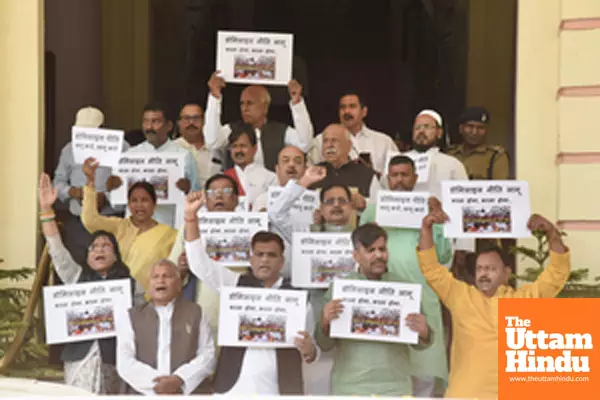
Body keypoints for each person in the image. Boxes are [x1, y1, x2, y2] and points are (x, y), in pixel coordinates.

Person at [417, 198, 571, 399]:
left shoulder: (523, 300)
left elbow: (557, 273)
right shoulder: (461, 296)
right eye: (480, 268)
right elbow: (431, 269)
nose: (483, 274)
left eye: (490, 269)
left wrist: (552, 233)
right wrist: (426, 229)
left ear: (506, 273)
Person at [183, 192, 318, 395]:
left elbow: (311, 349)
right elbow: (199, 263)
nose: (264, 260)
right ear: (251, 259)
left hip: (280, 390)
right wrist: (191, 218)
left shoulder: (298, 300)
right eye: (259, 254)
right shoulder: (236, 284)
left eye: (271, 255)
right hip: (233, 389)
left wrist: (310, 351)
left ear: (282, 262)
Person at [359, 155, 451, 396]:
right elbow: (359, 255)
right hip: (384, 298)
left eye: (404, 175)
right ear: (387, 179)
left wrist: (435, 224)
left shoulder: (429, 211)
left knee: (424, 375)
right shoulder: (372, 211)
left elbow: (441, 255)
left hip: (423, 297)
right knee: (390, 372)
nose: (399, 180)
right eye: (395, 175)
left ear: (415, 178)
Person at [39, 172, 132, 394]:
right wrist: (46, 210)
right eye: (94, 247)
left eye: (106, 246)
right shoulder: (76, 276)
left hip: (116, 360)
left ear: (116, 255)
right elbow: (56, 249)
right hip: (79, 359)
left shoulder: (128, 285)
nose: (99, 250)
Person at [316, 223, 432, 396]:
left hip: (395, 386)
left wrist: (424, 332)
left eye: (382, 249)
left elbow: (421, 344)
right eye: (371, 250)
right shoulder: (339, 290)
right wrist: (325, 321)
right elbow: (324, 345)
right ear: (356, 255)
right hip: (350, 386)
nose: (379, 255)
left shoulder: (403, 290)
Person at [80, 158, 177, 301]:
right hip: (113, 297)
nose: (139, 206)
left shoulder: (170, 235)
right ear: (128, 204)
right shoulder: (119, 226)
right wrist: (90, 182)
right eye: (134, 201)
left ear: (154, 204)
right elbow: (90, 220)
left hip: (147, 303)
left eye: (144, 200)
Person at [116, 259, 216, 395]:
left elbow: (208, 355)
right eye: (155, 277)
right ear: (148, 284)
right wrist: (157, 384)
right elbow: (125, 361)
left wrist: (179, 379)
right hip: (144, 392)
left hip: (186, 391)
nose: (160, 281)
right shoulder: (132, 316)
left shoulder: (196, 312)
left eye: (167, 276)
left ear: (179, 285)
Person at [105, 102, 201, 227]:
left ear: (169, 126)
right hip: (134, 230)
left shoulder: (183, 156)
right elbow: (117, 205)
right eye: (146, 121)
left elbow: (198, 196)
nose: (149, 127)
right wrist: (113, 189)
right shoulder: (130, 155)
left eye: (155, 122)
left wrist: (187, 190)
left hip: (169, 227)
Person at [53, 106, 128, 265]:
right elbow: (57, 182)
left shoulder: (121, 148)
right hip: (78, 223)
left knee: (111, 271)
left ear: (101, 128)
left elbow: (131, 181)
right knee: (77, 270)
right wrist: (72, 192)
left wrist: (107, 196)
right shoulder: (69, 150)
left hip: (110, 221)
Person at [203, 72, 314, 171]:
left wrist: (297, 103)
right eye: (242, 103)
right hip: (239, 190)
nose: (244, 108)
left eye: (249, 103)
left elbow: (304, 144)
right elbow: (212, 142)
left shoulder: (280, 130)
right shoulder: (231, 129)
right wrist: (215, 98)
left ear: (265, 106)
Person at [309, 92, 398, 174]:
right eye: (342, 107)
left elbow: (398, 173)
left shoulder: (384, 142)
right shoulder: (321, 140)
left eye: (352, 106)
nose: (347, 111)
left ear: (364, 112)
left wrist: (374, 175)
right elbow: (311, 172)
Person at [310, 123, 381, 201]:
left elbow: (377, 209)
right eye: (325, 141)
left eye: (334, 140)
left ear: (349, 146)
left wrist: (364, 206)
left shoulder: (366, 175)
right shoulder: (312, 173)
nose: (329, 145)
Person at [222, 124, 277, 210]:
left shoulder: (270, 178)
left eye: (243, 146)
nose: (238, 150)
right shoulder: (223, 178)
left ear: (255, 148)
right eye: (234, 146)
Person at [448, 106, 510, 180]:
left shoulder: (496, 156)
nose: (474, 132)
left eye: (480, 128)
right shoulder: (450, 153)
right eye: (470, 126)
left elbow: (500, 188)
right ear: (461, 129)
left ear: (487, 131)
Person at [174, 103, 223, 188]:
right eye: (186, 118)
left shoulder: (218, 148)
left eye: (196, 118)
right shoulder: (171, 150)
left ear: (205, 121)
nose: (191, 122)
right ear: (179, 123)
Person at [253, 145, 308, 212]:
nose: (291, 164)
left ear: (305, 169)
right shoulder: (263, 201)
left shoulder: (316, 200)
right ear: (277, 169)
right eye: (285, 161)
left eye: (297, 161)